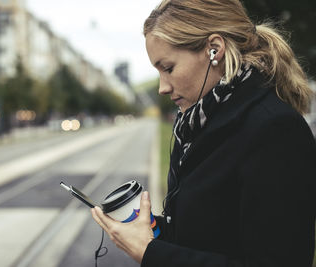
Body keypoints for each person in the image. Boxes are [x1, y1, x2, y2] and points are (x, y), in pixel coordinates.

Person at [91, 0, 316, 266]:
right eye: (158, 71)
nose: (162, 87)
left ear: (214, 50)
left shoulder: (275, 131)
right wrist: (147, 230)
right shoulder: (195, 127)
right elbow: (201, 234)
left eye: (168, 68)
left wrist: (151, 253)